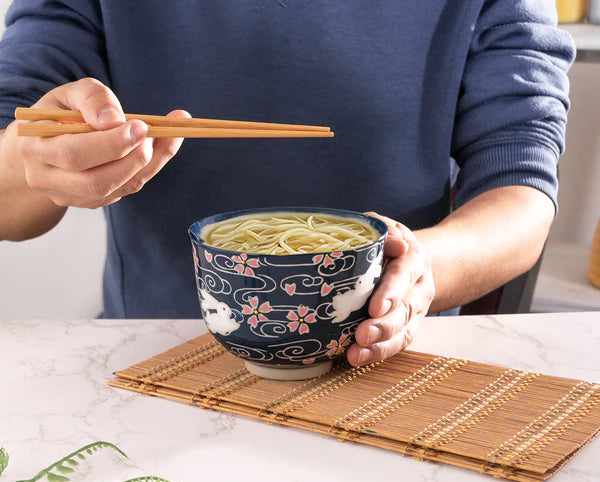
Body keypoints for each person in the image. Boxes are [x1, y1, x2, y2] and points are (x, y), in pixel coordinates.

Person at [0, 1, 574, 368]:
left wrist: (422, 272)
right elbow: (11, 174)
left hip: (388, 363)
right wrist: (40, 163)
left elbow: (520, 190)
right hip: (152, 359)